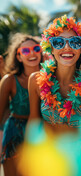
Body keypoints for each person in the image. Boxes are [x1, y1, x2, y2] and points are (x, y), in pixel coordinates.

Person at [0, 33, 43, 176]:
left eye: (36, 49)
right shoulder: (10, 80)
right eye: (25, 51)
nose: (31, 53)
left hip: (41, 132)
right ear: (18, 57)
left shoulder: (51, 79)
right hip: (14, 133)